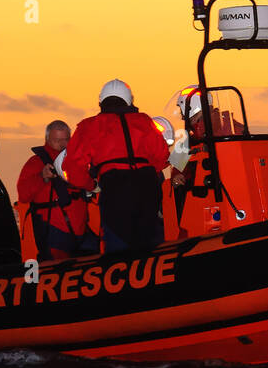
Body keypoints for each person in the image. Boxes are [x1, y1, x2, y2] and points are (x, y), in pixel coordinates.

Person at [63, 79, 171, 252]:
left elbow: (73, 167)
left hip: (115, 190)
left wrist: (91, 185)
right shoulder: (144, 121)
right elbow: (162, 155)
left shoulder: (89, 126)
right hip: (148, 186)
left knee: (118, 245)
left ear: (100, 102)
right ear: (129, 100)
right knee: (150, 245)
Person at [16, 120, 97, 260]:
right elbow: (23, 195)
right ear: (47, 139)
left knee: (98, 257)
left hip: (82, 229)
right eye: (57, 140)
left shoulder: (79, 161)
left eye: (66, 140)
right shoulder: (36, 163)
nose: (62, 144)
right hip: (55, 231)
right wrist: (42, 176)